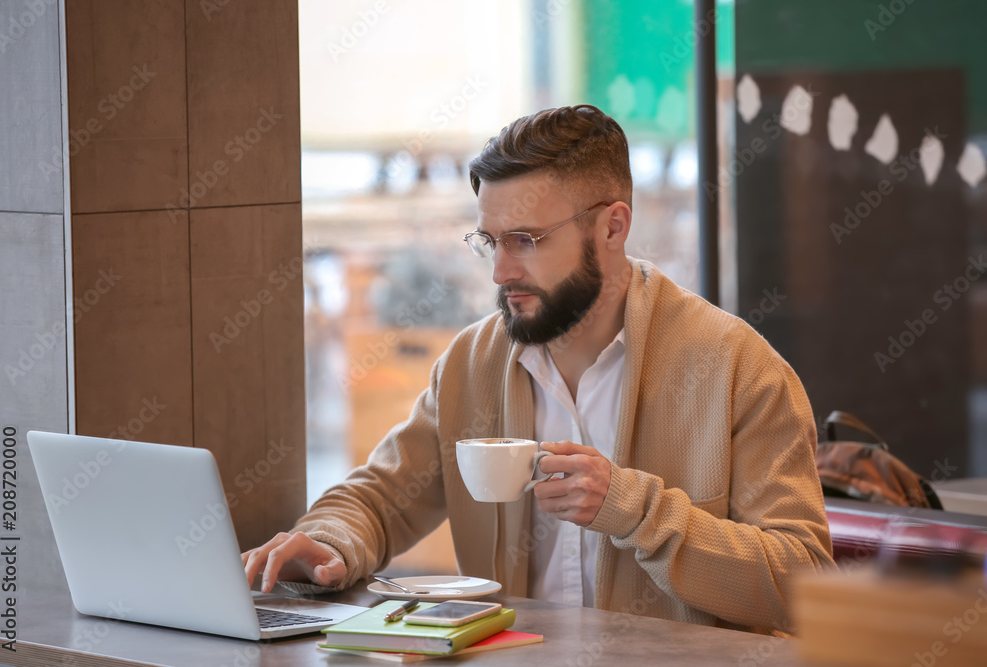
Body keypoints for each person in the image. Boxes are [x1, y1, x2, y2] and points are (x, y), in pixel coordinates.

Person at [242, 104, 835, 633]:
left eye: (525, 240)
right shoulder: (473, 364)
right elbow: (382, 498)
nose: (500, 271)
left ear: (613, 227)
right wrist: (325, 543)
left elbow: (805, 589)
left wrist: (633, 510)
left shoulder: (739, 370)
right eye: (489, 241)